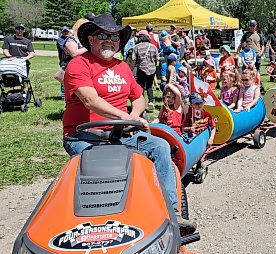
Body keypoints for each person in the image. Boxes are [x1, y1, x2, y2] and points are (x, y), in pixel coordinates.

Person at [61, 13, 195, 234]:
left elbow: (139, 96)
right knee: (102, 167)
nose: (109, 40)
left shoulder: (122, 68)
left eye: (114, 37)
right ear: (91, 40)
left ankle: (172, 214)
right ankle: (91, 225)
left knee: (159, 147)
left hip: (120, 133)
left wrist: (134, 113)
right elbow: (90, 101)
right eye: (102, 35)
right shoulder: (79, 64)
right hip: (85, 135)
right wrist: (126, 118)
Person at [130, 29, 159, 110]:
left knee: (141, 86)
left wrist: (130, 70)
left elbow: (133, 59)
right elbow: (157, 58)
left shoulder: (136, 47)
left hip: (141, 69)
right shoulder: (153, 46)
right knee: (149, 86)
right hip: (152, 69)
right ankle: (151, 101)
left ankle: (141, 103)